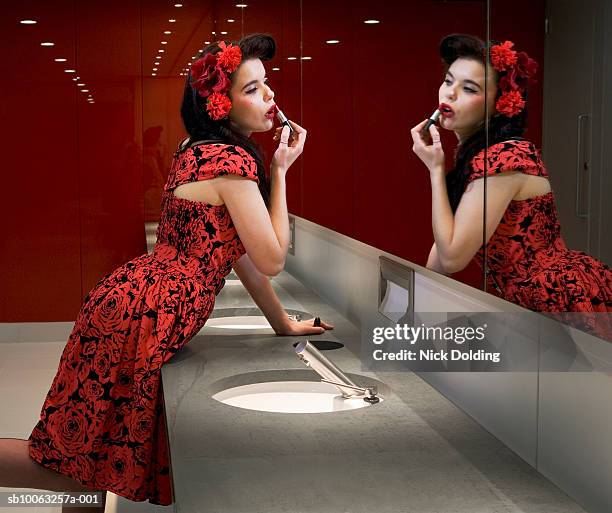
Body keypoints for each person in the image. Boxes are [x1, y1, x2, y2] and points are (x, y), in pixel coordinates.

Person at [0, 33, 332, 511]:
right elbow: (272, 259)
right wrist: (281, 172)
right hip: (146, 315)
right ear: (221, 104)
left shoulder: (193, 148)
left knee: (84, 464)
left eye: (267, 85)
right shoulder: (233, 163)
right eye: (254, 88)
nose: (271, 96)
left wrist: (282, 323)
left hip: (131, 300)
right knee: (74, 471)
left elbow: (232, 250)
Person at [411, 34, 612, 338]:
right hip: (530, 302)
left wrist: (435, 170)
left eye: (468, 88)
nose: (449, 94)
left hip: (562, 297)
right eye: (448, 81)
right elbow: (442, 252)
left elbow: (454, 257)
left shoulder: (505, 157)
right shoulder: (476, 156)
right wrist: (416, 314)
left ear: (499, 105)